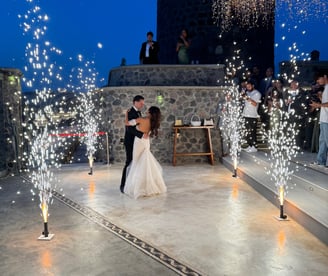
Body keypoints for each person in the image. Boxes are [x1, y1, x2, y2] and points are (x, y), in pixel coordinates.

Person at [124, 106, 167, 199]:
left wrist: (126, 114)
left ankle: (139, 186)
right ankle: (148, 185)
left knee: (137, 161)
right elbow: (148, 133)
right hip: (146, 142)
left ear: (150, 113)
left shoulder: (141, 119)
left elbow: (127, 123)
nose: (146, 112)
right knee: (145, 161)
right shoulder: (153, 122)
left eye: (148, 111)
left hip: (139, 141)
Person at [120, 95, 147, 193]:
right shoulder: (130, 112)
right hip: (130, 141)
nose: (142, 105)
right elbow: (129, 128)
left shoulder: (138, 112)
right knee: (129, 162)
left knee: (135, 162)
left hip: (136, 142)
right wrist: (141, 134)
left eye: (143, 103)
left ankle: (131, 183)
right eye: (141, 103)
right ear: (135, 102)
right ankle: (123, 185)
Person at [310, 73, 328, 167]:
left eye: (318, 79)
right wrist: (321, 98)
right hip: (324, 118)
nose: (318, 81)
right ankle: (321, 161)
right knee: (322, 141)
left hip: (327, 119)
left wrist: (319, 105)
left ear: (324, 76)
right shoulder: (325, 88)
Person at [242, 80, 262, 153]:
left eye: (249, 86)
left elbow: (254, 104)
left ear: (253, 86)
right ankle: (249, 145)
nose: (248, 88)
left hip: (252, 115)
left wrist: (247, 98)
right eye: (247, 87)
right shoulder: (247, 93)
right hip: (245, 114)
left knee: (252, 131)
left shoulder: (257, 93)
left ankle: (254, 146)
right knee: (247, 132)